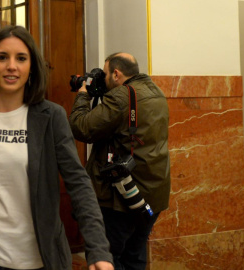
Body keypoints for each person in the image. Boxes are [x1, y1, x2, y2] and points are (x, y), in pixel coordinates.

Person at [0, 25, 114, 270]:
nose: (12, 66)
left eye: (21, 58)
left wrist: (98, 250)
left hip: (37, 257)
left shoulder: (51, 116)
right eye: (2, 57)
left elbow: (79, 183)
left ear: (31, 67)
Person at [69, 52, 171, 270]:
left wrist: (83, 93)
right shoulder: (156, 92)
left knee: (109, 258)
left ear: (116, 73)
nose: (103, 79)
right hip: (152, 194)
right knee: (134, 255)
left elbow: (82, 127)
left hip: (120, 198)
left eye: (105, 74)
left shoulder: (121, 97)